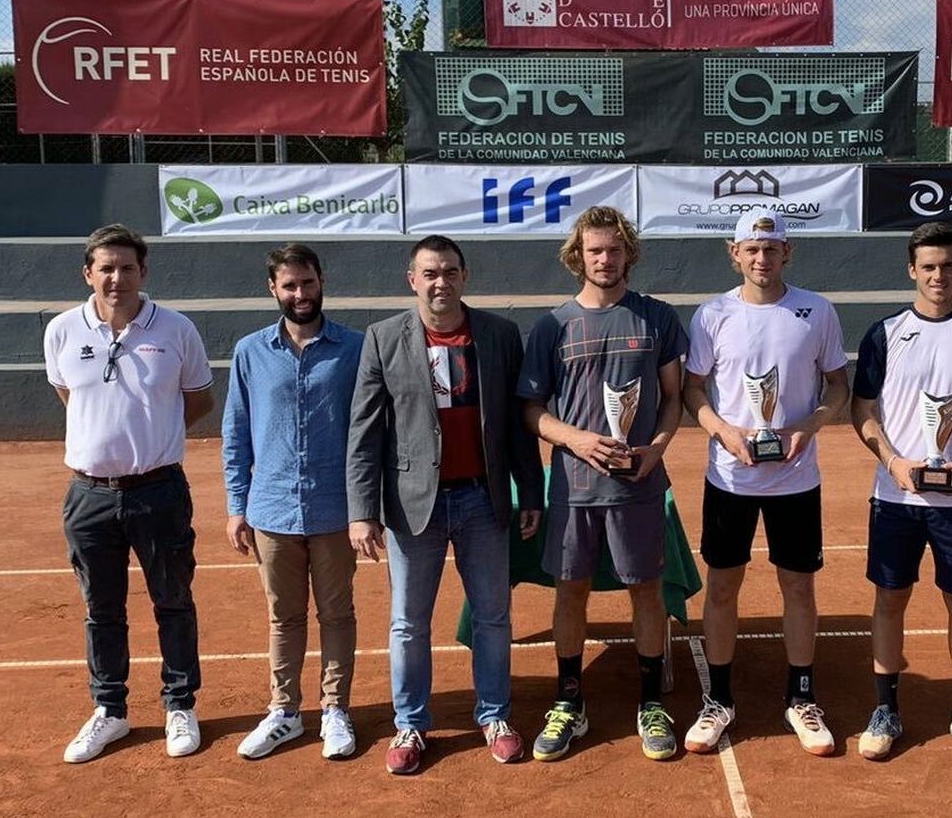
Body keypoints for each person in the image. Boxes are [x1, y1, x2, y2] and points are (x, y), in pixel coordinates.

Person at [346, 235, 544, 776]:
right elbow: (364, 432)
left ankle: (495, 715)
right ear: (413, 279)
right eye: (430, 273)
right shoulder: (383, 339)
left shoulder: (500, 335)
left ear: (465, 276)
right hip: (414, 507)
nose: (441, 282)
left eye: (450, 272)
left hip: (484, 497)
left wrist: (531, 492)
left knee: (493, 617)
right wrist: (362, 510)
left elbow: (518, 426)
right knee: (409, 622)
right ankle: (410, 722)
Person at [519, 206, 688, 762]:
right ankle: (570, 701)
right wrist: (576, 439)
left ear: (627, 254)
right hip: (572, 488)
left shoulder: (657, 318)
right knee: (571, 591)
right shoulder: (552, 325)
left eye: (614, 250)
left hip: (639, 486)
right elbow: (533, 411)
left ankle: (649, 703)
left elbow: (672, 400)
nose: (605, 259)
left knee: (646, 590)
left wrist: (657, 450)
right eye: (595, 250)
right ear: (578, 256)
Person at [680, 208, 850, 757]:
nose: (761, 258)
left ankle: (801, 695)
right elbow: (694, 392)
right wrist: (723, 432)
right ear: (734, 253)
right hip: (730, 476)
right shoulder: (711, 316)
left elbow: (838, 388)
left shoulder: (816, 311)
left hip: (796, 480)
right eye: (751, 249)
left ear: (787, 253)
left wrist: (809, 425)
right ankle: (720, 699)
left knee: (798, 586)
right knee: (723, 585)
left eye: (771, 248)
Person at [44, 224, 214, 763]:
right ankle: (110, 710)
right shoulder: (62, 331)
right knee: (102, 609)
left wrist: (151, 441)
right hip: (88, 496)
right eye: (106, 268)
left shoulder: (178, 329)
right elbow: (68, 395)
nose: (117, 278)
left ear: (144, 272)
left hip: (159, 491)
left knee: (173, 601)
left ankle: (179, 704)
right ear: (88, 273)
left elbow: (198, 401)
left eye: (128, 268)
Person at [850, 222, 952, 763]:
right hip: (896, 499)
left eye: (947, 265)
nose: (938, 275)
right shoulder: (885, 333)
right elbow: (863, 411)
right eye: (928, 266)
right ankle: (885, 709)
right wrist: (893, 461)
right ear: (911, 270)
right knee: (890, 599)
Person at [222, 244, 363, 761]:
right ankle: (284, 711)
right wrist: (236, 505)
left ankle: (335, 711)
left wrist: (365, 508)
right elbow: (236, 434)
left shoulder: (355, 348)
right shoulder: (249, 352)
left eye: (307, 283)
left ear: (321, 281)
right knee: (284, 617)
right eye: (289, 285)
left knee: (336, 613)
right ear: (273, 289)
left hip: (335, 510)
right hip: (271, 511)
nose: (299, 294)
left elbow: (370, 433)